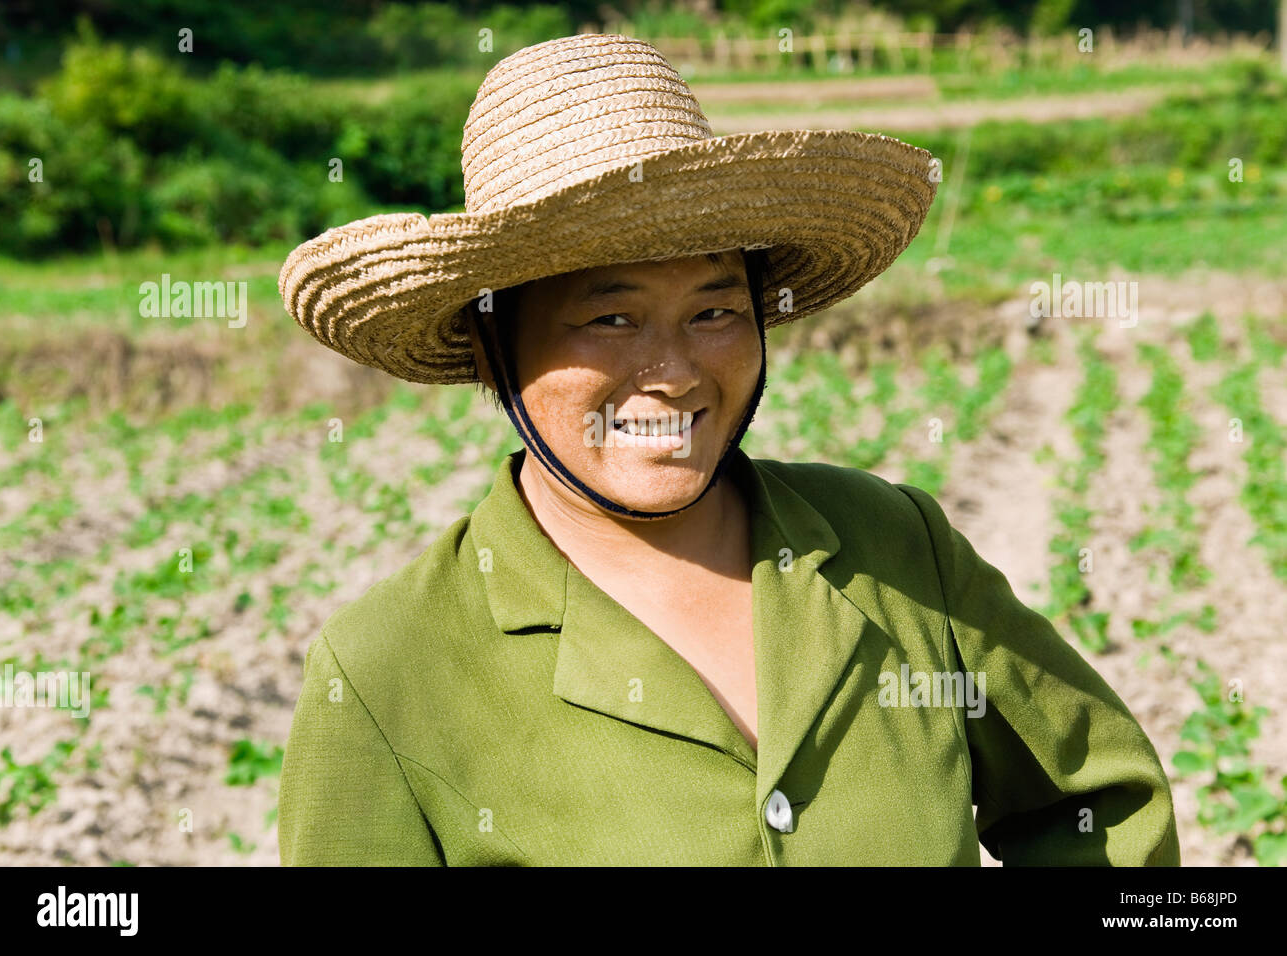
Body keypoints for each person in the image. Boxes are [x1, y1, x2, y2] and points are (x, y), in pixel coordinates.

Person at [275, 33, 1180, 866]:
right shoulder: (390, 671)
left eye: (714, 310)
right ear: (493, 348)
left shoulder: (896, 551)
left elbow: (1098, 812)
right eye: (610, 317)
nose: (672, 372)